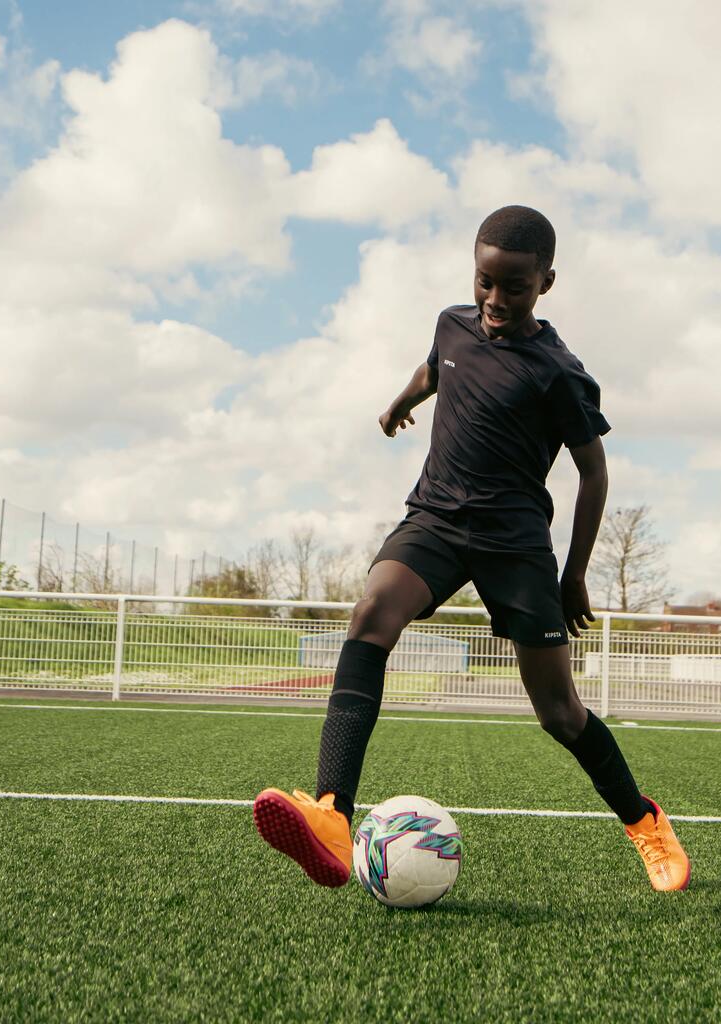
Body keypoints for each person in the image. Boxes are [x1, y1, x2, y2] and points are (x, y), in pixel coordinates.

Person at [253, 206, 690, 892]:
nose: (493, 300)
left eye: (513, 287)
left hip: (515, 542)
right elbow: (437, 368)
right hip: (435, 518)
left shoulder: (557, 371)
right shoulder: (451, 322)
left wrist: (574, 575)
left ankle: (644, 821)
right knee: (371, 615)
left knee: (559, 713)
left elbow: (594, 470)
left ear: (546, 282)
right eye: (484, 282)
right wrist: (403, 401)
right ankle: (333, 814)